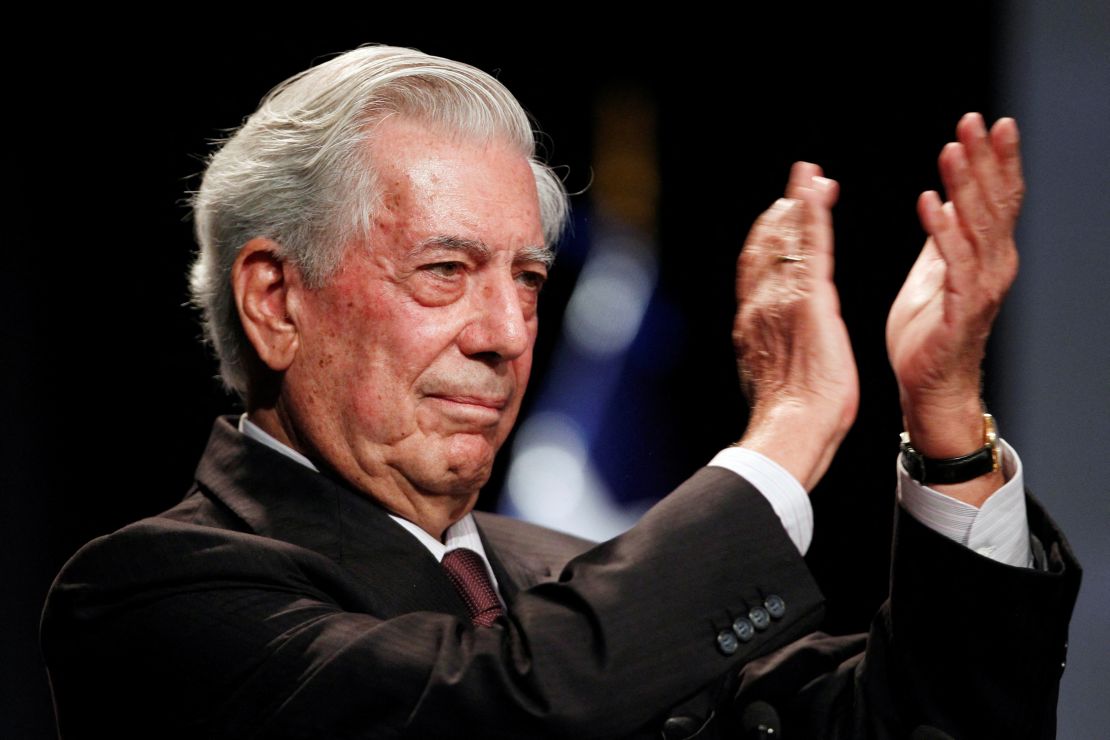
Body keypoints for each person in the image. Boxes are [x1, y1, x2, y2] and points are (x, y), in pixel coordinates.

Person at [41, 46, 1079, 739]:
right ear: (276, 300)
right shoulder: (150, 599)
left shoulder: (563, 570)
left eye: (529, 279)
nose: (505, 333)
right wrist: (789, 432)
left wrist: (947, 424)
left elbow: (922, 724)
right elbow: (511, 707)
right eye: (444, 270)